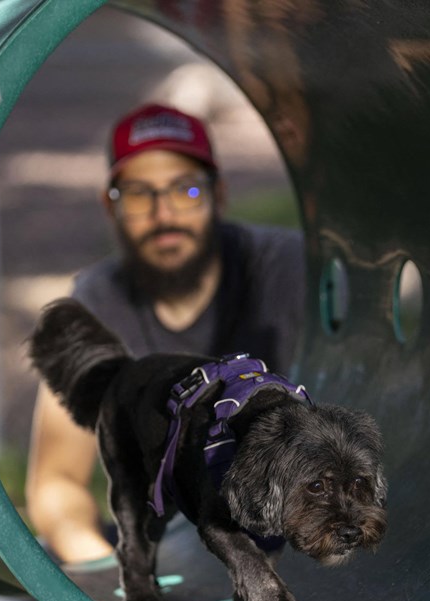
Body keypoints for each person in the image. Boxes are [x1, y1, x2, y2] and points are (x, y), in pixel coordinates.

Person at [25, 103, 306, 566]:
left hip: (292, 545)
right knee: (25, 586)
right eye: (138, 194)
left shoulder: (286, 271)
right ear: (109, 206)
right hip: (164, 552)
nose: (164, 213)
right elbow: (56, 481)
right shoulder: (96, 303)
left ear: (219, 196)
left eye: (186, 189)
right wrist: (105, 571)